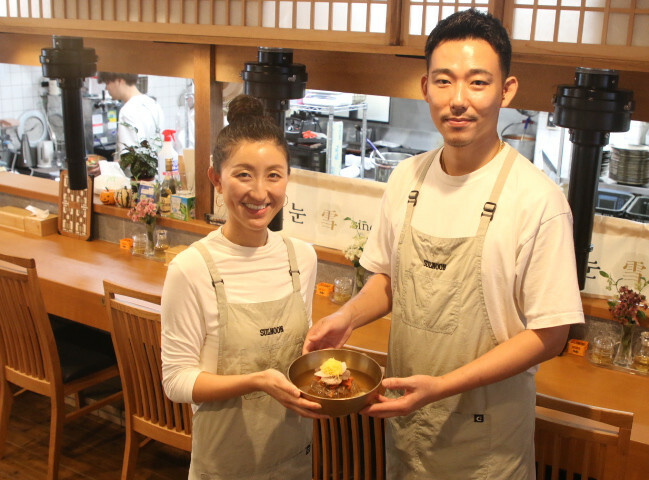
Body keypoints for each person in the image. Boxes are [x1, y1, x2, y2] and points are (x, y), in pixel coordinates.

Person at [303, 9, 585, 479]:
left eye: (477, 83)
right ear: (425, 86)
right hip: (409, 424)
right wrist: (345, 316)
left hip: (486, 442)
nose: (459, 101)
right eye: (444, 81)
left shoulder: (537, 199)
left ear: (507, 90)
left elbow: (551, 334)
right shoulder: (406, 178)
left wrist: (442, 386)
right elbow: (389, 280)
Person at [161, 94, 324, 479]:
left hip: (293, 456)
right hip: (224, 463)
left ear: (287, 178)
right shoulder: (191, 268)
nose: (260, 192)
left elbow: (297, 355)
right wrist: (256, 381)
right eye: (243, 174)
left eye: (274, 175)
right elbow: (177, 381)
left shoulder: (302, 258)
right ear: (216, 178)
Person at [96, 72, 164, 156]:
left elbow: (129, 158)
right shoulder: (153, 104)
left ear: (119, 81)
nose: (106, 88)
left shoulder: (127, 111)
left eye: (107, 83)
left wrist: (107, 167)